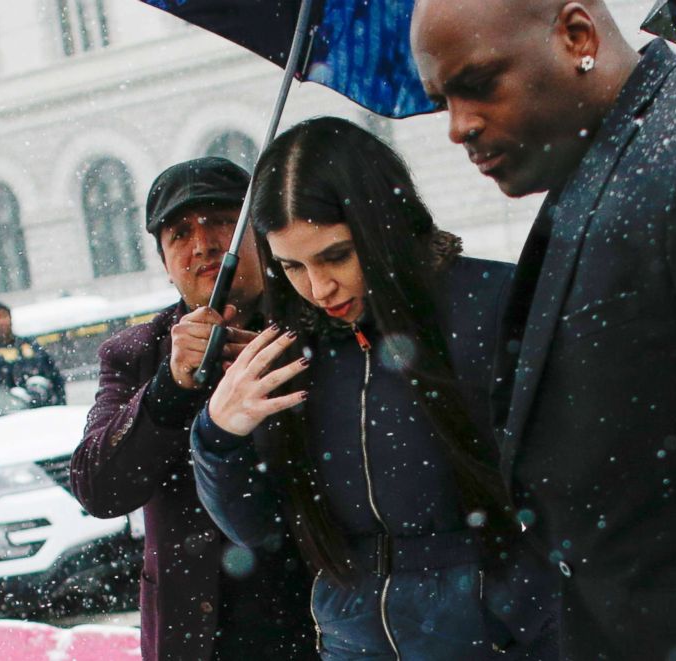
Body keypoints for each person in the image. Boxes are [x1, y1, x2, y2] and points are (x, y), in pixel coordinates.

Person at [410, 1, 676, 659]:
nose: (457, 127)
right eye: (442, 99)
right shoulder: (597, 158)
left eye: (477, 84)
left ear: (576, 36)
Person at [190, 117, 556, 660]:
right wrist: (219, 436)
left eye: (335, 255)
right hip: (356, 640)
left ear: (383, 224)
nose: (318, 288)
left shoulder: (497, 305)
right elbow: (260, 532)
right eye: (291, 266)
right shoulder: (287, 350)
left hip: (499, 635)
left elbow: (573, 492)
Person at [69, 157, 315, 660]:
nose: (202, 244)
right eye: (179, 233)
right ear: (164, 261)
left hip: (320, 620)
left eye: (222, 221)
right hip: (200, 635)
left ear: (260, 234)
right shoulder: (136, 354)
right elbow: (98, 487)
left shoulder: (315, 322)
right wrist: (170, 388)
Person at [0, 301, 66, 407]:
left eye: (4, 316)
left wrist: (60, 402)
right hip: (7, 411)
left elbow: (54, 374)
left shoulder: (29, 345)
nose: (2, 322)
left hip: (43, 406)